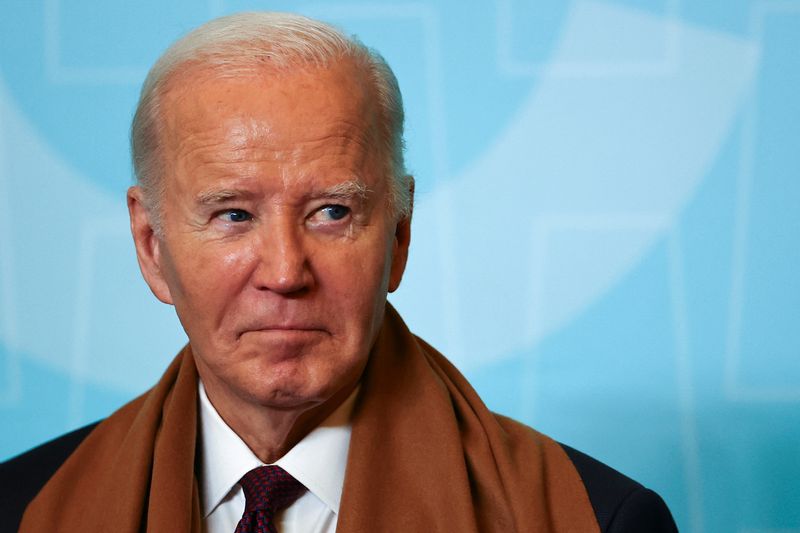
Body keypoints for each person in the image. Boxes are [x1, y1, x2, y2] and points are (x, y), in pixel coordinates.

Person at [0, 12, 677, 533]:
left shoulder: (594, 519)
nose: (286, 272)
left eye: (330, 211)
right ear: (151, 246)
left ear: (400, 234)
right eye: (234, 214)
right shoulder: (21, 508)